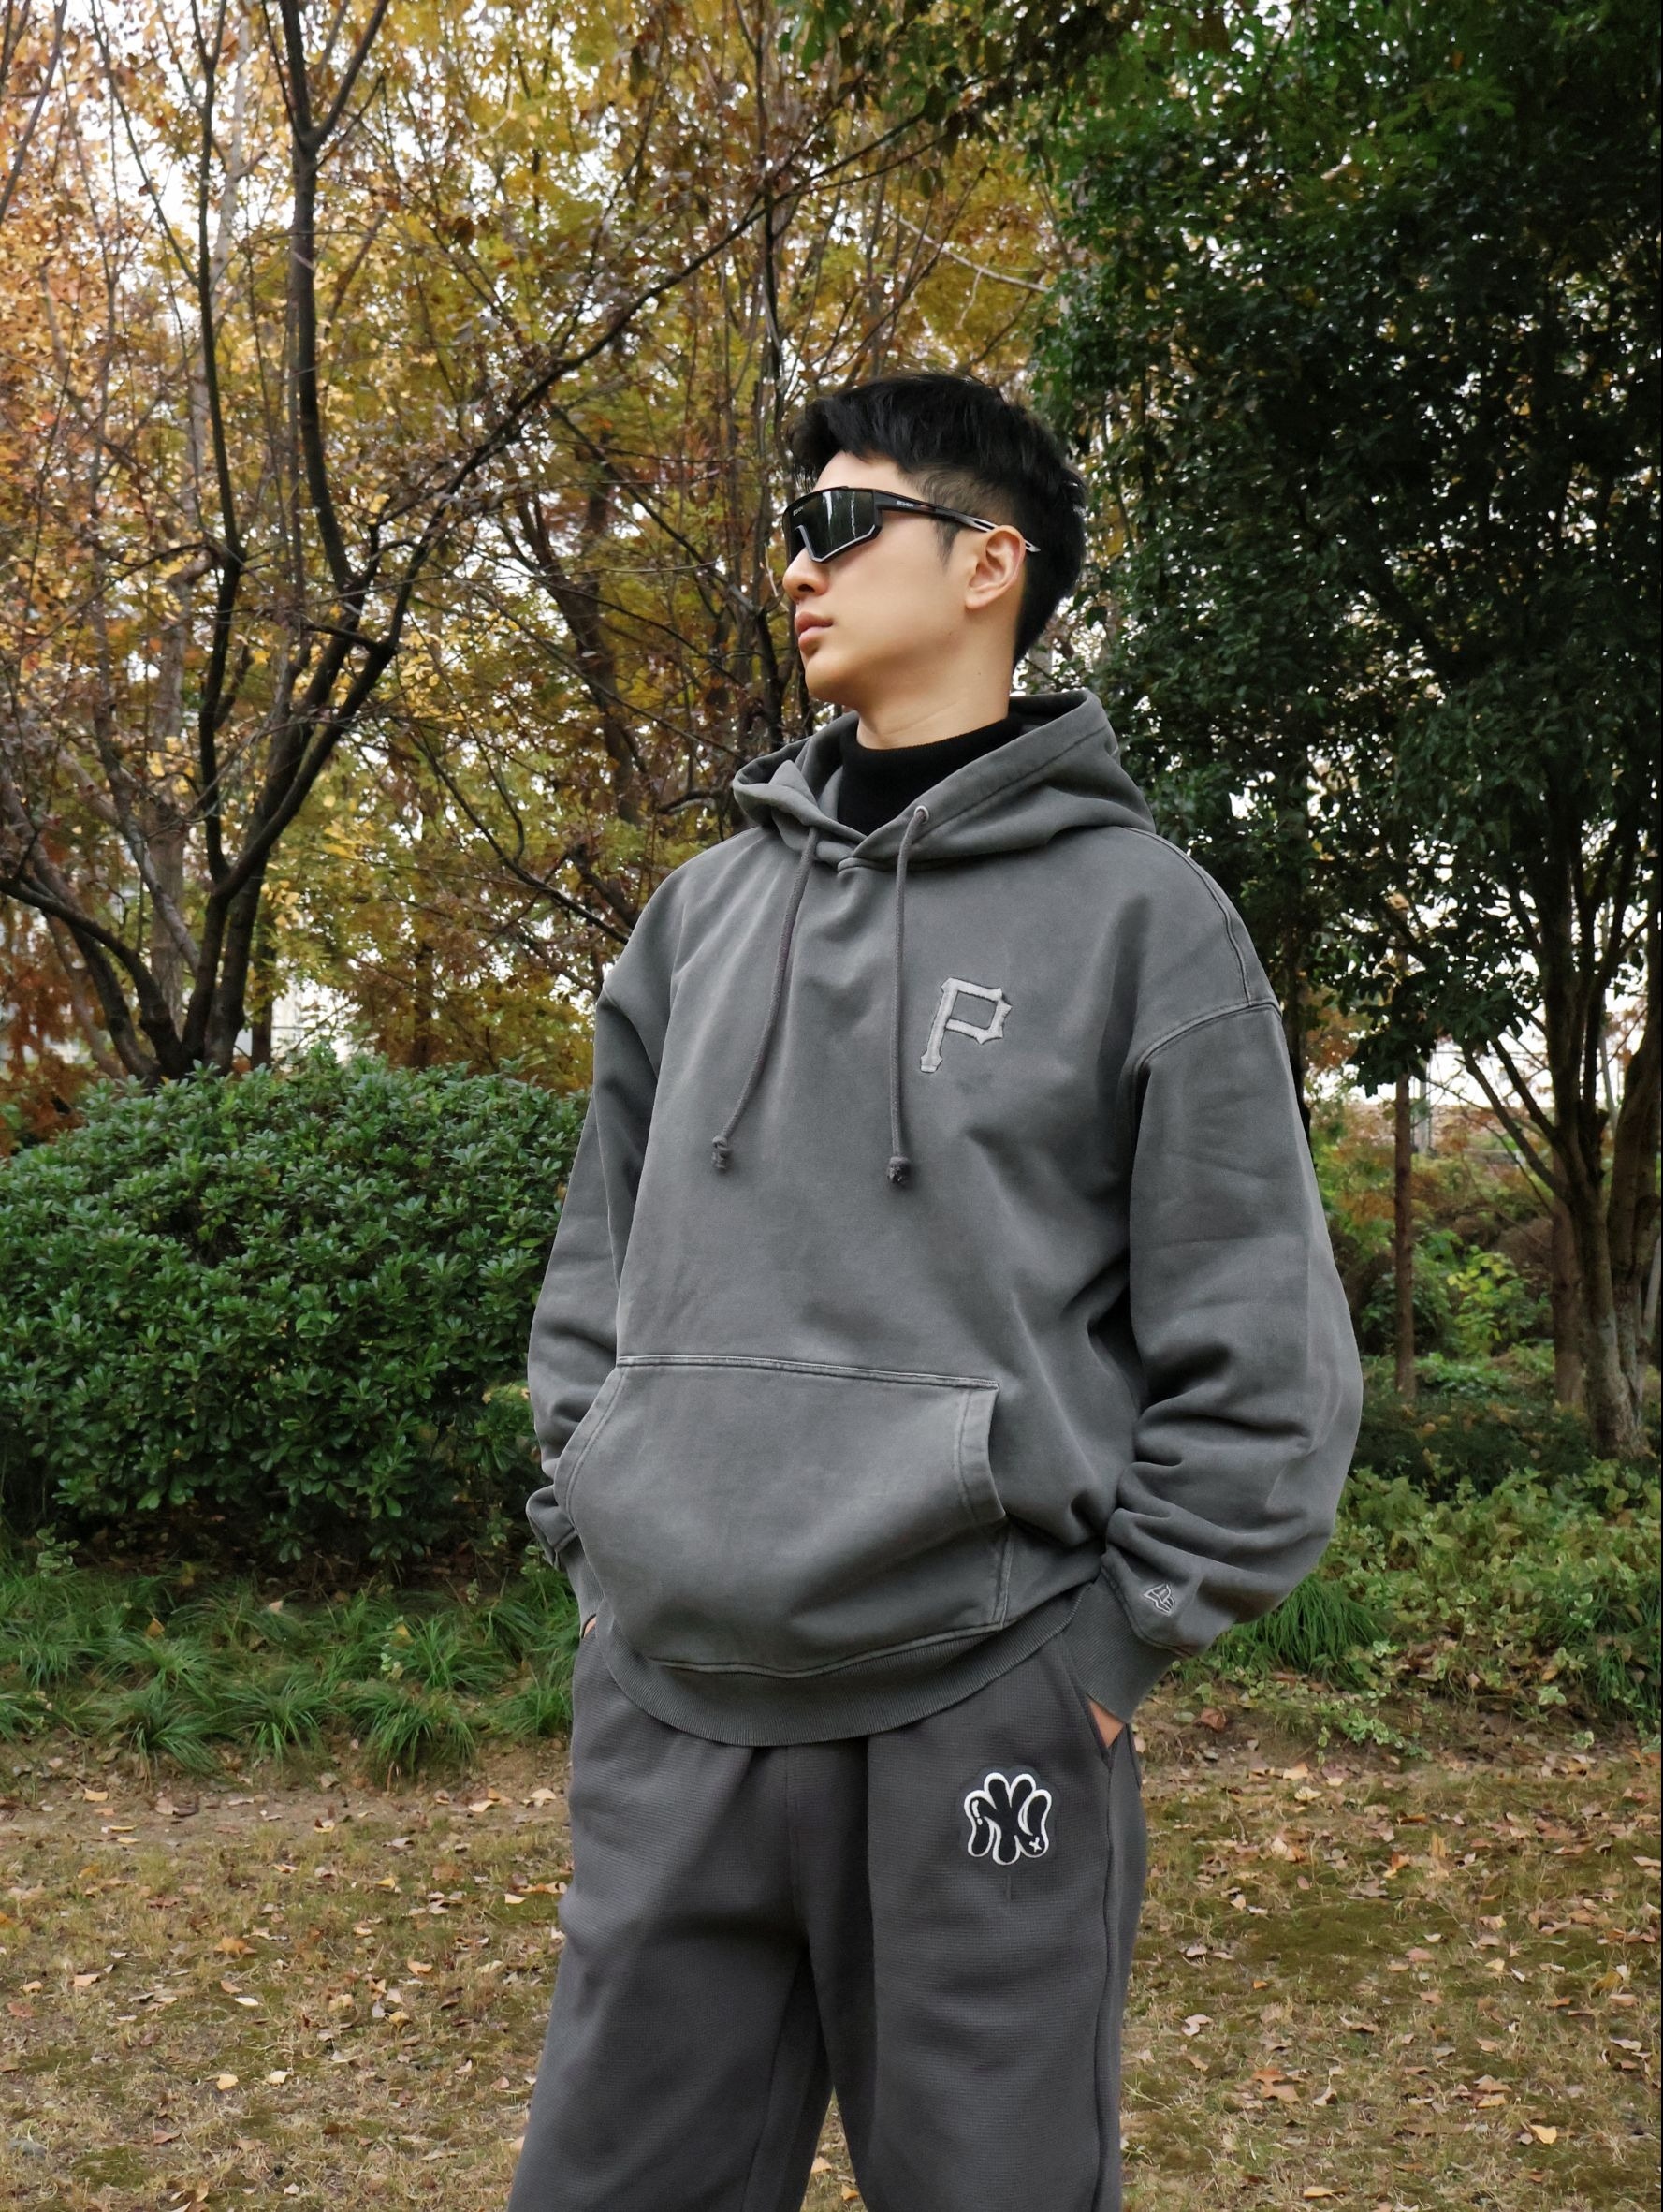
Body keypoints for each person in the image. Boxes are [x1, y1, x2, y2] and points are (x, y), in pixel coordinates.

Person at [506, 371, 1363, 2212]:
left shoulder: (1145, 922)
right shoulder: (695, 920)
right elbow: (595, 1276)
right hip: (671, 1701)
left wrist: (1104, 1659)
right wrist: (601, 1532)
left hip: (981, 1708)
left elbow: (1263, 1352)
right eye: (790, 530)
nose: (794, 568)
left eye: (839, 523)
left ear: (991, 563)